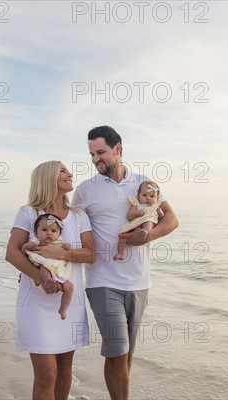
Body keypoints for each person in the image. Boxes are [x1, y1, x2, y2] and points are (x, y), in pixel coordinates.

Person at [71, 126, 179, 400]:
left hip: (140, 281)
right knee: (117, 352)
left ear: (118, 148)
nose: (96, 159)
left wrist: (148, 236)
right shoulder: (85, 191)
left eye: (101, 152)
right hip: (103, 282)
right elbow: (70, 231)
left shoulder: (145, 184)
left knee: (128, 354)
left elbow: (171, 219)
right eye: (92, 154)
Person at [6, 160, 95, 400]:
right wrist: (40, 278)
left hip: (69, 301)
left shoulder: (78, 216)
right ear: (48, 179)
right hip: (35, 302)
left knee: (65, 370)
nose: (70, 174)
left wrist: (63, 253)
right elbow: (12, 252)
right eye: (63, 171)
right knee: (47, 374)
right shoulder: (28, 212)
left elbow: (90, 254)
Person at [22, 213, 75, 320]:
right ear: (36, 232)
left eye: (53, 231)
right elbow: (24, 251)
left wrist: (67, 246)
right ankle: (47, 281)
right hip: (46, 266)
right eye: (44, 230)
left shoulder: (60, 243)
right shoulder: (36, 243)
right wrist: (27, 246)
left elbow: (67, 252)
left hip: (58, 269)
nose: (49, 233)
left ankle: (63, 308)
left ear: (59, 233)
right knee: (44, 268)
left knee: (70, 287)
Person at [114, 181, 164, 261]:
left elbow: (161, 218)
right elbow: (129, 217)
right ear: (138, 195)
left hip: (148, 223)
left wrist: (160, 212)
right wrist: (137, 213)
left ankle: (143, 233)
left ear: (157, 198)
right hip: (135, 225)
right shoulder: (136, 205)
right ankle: (121, 253)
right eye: (144, 195)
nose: (148, 198)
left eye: (152, 196)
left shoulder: (156, 207)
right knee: (122, 236)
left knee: (148, 222)